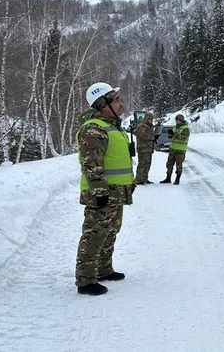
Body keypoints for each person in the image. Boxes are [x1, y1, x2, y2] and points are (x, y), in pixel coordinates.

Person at [75, 82, 135, 296]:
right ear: (102, 104)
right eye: (116, 100)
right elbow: (91, 165)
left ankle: (103, 269)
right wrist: (100, 193)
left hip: (116, 192)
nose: (121, 103)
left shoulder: (112, 126)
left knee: (110, 231)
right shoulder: (93, 129)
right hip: (102, 193)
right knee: (95, 234)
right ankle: (85, 279)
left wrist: (129, 184)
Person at [160, 114, 190, 185]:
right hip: (172, 149)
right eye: (176, 120)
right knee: (169, 164)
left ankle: (177, 179)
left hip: (180, 150)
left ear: (182, 121)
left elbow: (184, 138)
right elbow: (173, 136)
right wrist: (170, 134)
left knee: (178, 165)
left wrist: (175, 134)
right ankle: (168, 178)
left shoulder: (185, 128)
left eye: (178, 120)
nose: (177, 122)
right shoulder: (175, 127)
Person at [134, 112, 155, 185]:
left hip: (149, 148)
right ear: (145, 118)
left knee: (147, 164)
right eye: (149, 119)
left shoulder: (150, 126)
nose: (150, 120)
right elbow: (142, 136)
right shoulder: (141, 125)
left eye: (151, 119)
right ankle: (139, 179)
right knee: (142, 164)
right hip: (143, 148)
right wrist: (153, 137)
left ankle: (145, 178)